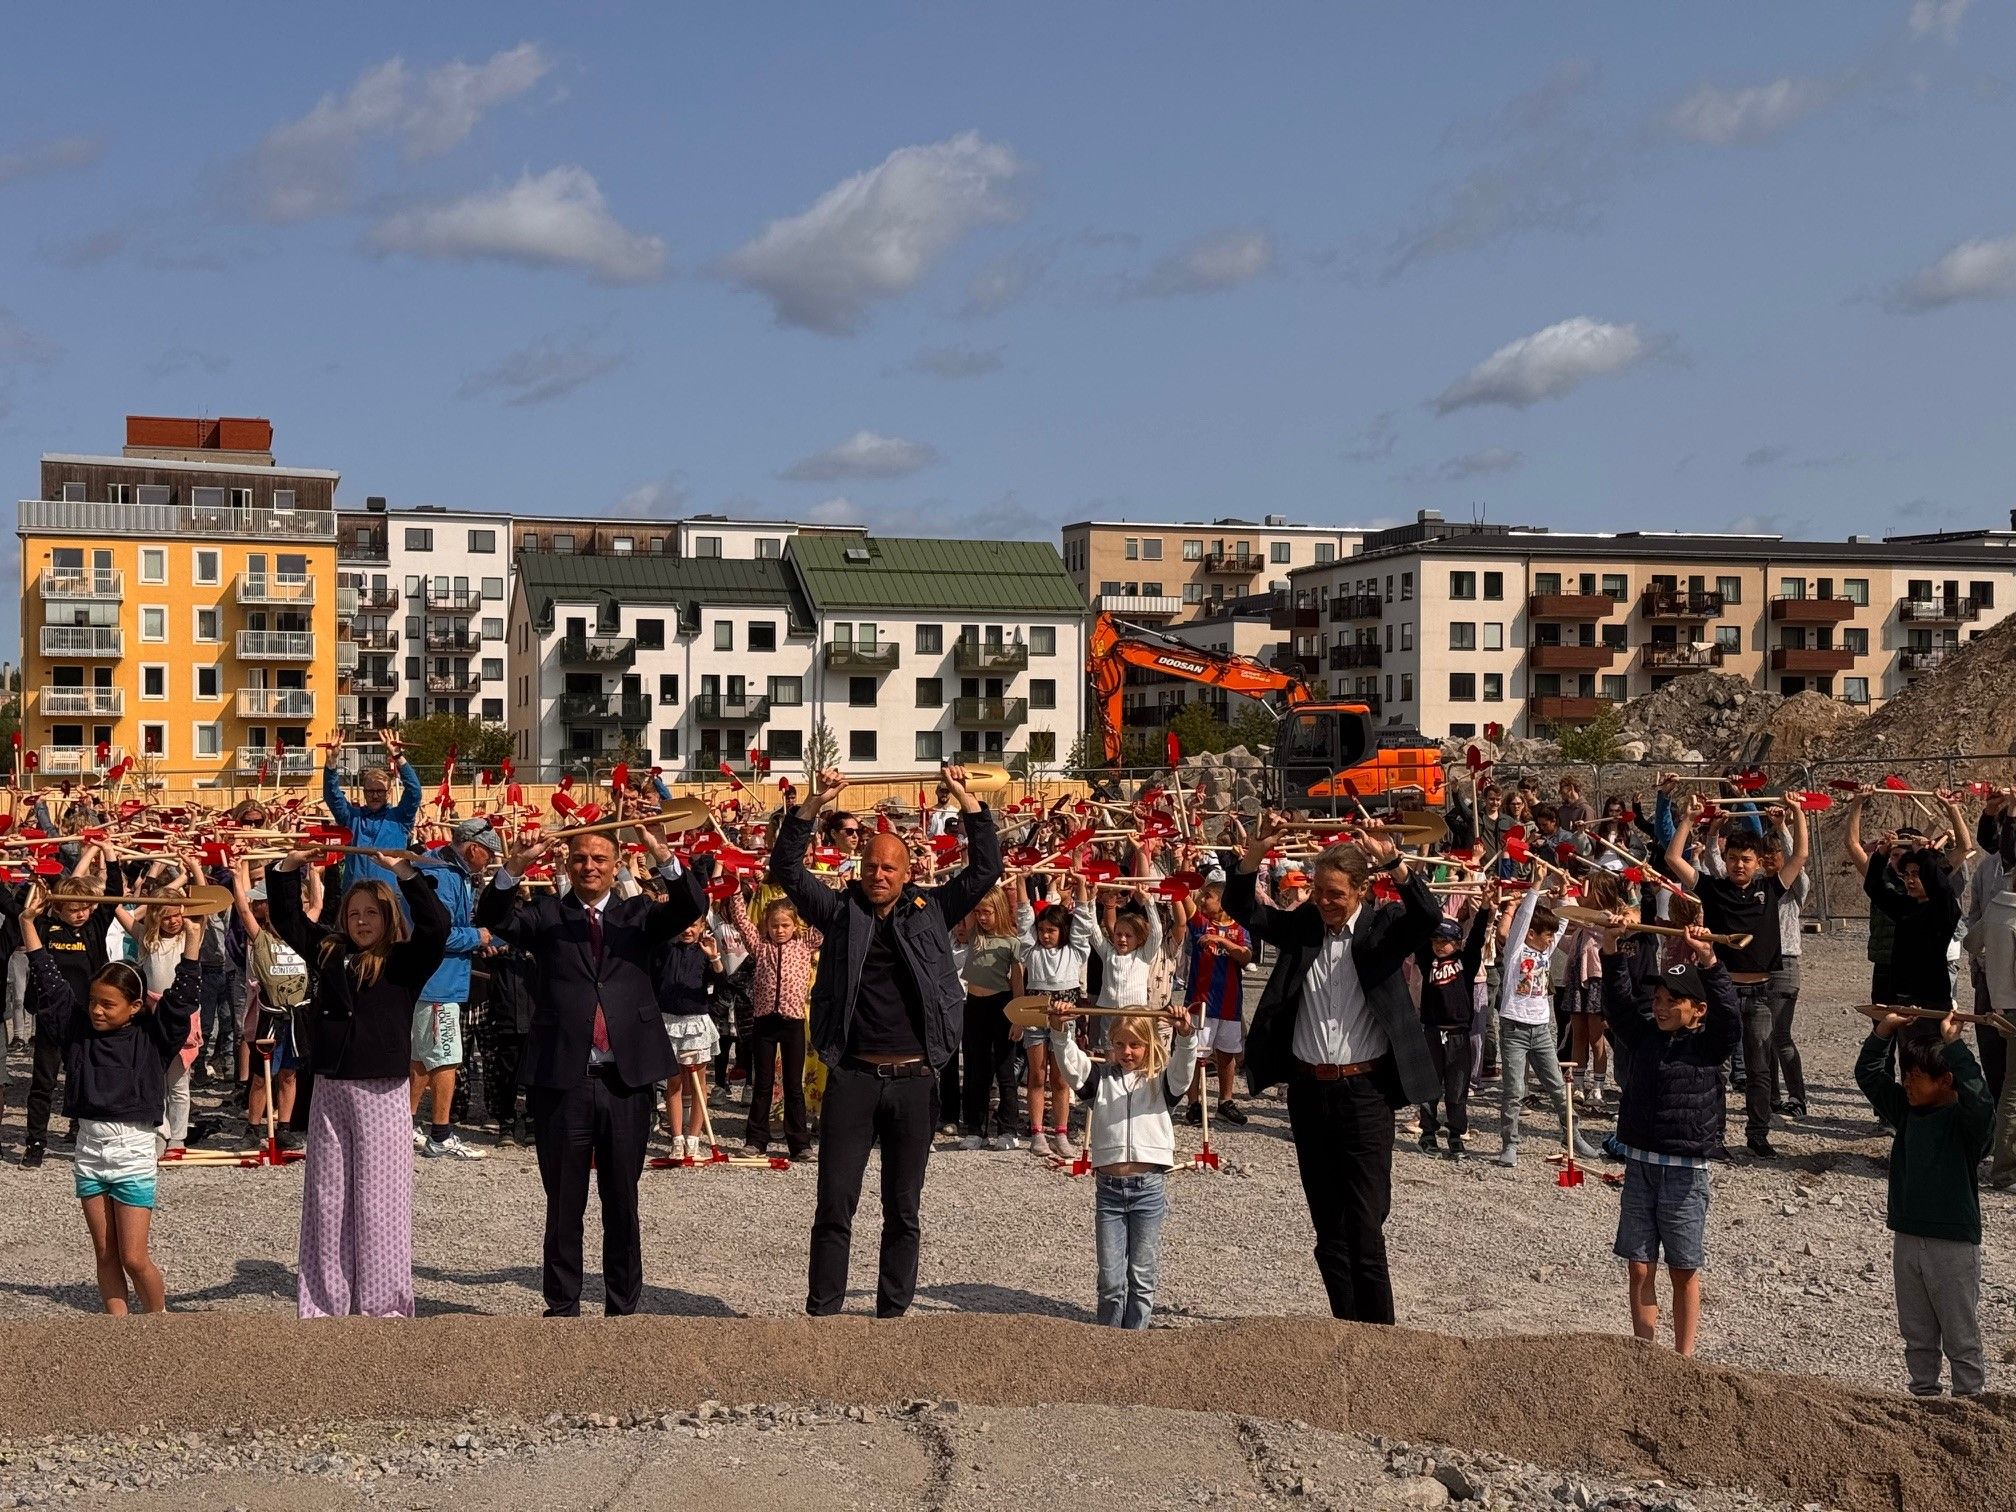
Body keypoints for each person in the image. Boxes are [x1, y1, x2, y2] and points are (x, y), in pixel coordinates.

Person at [770, 765, 1000, 1320]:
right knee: (834, 1205)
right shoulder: (838, 910)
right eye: (871, 865)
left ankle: (892, 1313)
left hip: (916, 1080)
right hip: (852, 1075)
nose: (878, 874)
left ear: (907, 872)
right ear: (860, 867)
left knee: (904, 1209)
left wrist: (967, 798)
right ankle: (823, 1313)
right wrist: (813, 804)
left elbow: (986, 868)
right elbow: (785, 868)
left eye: (889, 867)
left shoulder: (933, 911)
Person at [475, 823, 704, 1317]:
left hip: (626, 1080)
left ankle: (623, 1307)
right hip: (564, 1078)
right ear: (566, 864)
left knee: (622, 1201)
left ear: (617, 861)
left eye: (600, 858)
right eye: (580, 858)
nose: (590, 866)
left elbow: (691, 907)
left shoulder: (639, 914)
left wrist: (664, 856)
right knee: (564, 1203)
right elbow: (492, 916)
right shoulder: (546, 915)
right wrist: (514, 865)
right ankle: (562, 1307)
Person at [1227, 815, 1443, 1325]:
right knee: (1328, 1232)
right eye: (1319, 892)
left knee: (1366, 1227)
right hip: (1308, 1092)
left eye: (1336, 893)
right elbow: (1243, 909)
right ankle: (1345, 1330)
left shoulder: (1384, 925)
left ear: (1361, 890)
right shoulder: (1305, 926)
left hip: (1366, 1092)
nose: (1325, 901)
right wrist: (1254, 856)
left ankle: (1379, 1337)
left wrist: (1394, 862)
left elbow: (1428, 919)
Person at [267, 846, 448, 1318]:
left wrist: (405, 874)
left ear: (388, 917)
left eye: (371, 913)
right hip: (330, 1083)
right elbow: (288, 921)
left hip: (382, 1090)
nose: (361, 921)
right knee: (327, 1199)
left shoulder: (407, 960)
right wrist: (291, 865)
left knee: (380, 1200)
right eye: (353, 913)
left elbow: (436, 927)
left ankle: (384, 1304)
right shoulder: (331, 952)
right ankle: (325, 1302)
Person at [13, 885, 200, 1313]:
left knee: (134, 1256)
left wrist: (192, 940)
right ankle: (115, 1334)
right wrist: (28, 923)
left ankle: (159, 1321)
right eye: (94, 1002)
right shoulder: (77, 1031)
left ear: (135, 1006)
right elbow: (50, 981)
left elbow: (182, 998)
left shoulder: (154, 1038)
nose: (97, 1010)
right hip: (90, 1148)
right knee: (106, 1254)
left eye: (108, 1005)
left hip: (134, 1148)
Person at [1600, 918, 1738, 1358]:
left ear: (1698, 1008)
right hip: (1640, 1165)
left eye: (1673, 1000)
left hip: (1684, 1174)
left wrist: (1710, 962)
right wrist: (1611, 946)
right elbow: (1618, 1003)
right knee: (1639, 1265)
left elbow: (1730, 1018)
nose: (1661, 1007)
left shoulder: (1710, 1045)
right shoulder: (1643, 1037)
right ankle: (1645, 1353)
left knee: (1683, 1268)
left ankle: (1683, 1358)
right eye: (1658, 999)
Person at [1856, 1012, 1994, 1397]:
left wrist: (1955, 1046)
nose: (1907, 1085)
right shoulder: (1907, 1113)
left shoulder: (1966, 1126)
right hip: (1907, 1238)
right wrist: (1883, 1030)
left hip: (1953, 1244)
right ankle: (1923, 1401)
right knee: (1916, 1334)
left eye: (1916, 1077)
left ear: (1945, 1080)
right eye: (1904, 1076)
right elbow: (1868, 1075)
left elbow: (1981, 1101)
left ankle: (1970, 1405)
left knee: (1960, 1337)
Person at [1664, 794, 1808, 1159]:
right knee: (1718, 1068)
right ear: (1725, 860)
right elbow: (1672, 859)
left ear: (1758, 862)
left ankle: (1758, 1134)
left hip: (1761, 992)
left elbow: (1801, 856)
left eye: (1746, 859)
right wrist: (1689, 819)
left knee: (1760, 1068)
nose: (1739, 865)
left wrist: (1795, 815)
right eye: (1733, 859)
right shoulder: (1712, 888)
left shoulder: (1771, 888)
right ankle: (1714, 1136)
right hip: (1722, 991)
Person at [1051, 1003, 1197, 1328]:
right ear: (1111, 1045)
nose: (1127, 1052)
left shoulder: (1162, 1082)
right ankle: (1109, 1345)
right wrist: (1060, 1031)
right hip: (1109, 1192)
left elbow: (1184, 1071)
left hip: (1148, 1190)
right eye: (1120, 1044)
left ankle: (1135, 1348)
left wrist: (1186, 1037)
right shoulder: (1101, 1080)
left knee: (1142, 1277)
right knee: (1110, 1280)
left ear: (1150, 1044)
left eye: (1135, 1044)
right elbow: (1073, 1066)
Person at [408, 818, 499, 1161]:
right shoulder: (444, 874)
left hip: (439, 979)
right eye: (489, 853)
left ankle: (405, 1125)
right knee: (446, 1059)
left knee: (421, 1058)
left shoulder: (449, 870)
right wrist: (478, 937)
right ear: (473, 848)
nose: (490, 860)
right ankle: (440, 1134)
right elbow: (437, 932)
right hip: (439, 981)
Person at [1493, 888, 1603, 1169]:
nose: (1552, 940)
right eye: (1546, 935)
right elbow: (1523, 919)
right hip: (1514, 1027)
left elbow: (1563, 920)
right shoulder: (1517, 950)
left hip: (1541, 1029)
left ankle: (1572, 1135)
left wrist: (1564, 895)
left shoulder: (1547, 949)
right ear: (1531, 934)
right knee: (1514, 1089)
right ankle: (1510, 1143)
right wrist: (1534, 888)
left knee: (1557, 1087)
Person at [20, 870, 123, 1169]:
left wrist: (108, 852)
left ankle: (81, 1129)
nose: (80, 914)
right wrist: (37, 881)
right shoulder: (44, 926)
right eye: (72, 909)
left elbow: (113, 893)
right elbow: (23, 913)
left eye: (84, 908)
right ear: (59, 908)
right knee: (43, 1082)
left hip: (87, 1016)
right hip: (51, 1017)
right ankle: (35, 1142)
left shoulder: (95, 927)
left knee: (84, 1078)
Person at [724, 888, 821, 1159]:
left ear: (795, 925)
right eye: (774, 925)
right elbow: (741, 920)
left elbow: (824, 922)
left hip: (792, 1023)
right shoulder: (760, 946)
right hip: (765, 1022)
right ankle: (756, 1140)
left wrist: (816, 894)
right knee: (763, 1084)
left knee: (793, 1085)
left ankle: (800, 1143)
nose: (780, 930)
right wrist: (736, 891)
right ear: (766, 925)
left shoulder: (804, 945)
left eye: (785, 925)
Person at [228, 863, 309, 1153]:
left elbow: (318, 901)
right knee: (262, 1077)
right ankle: (253, 1126)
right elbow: (244, 911)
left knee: (290, 1074)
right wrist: (237, 877)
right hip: (272, 1015)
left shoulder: (302, 937)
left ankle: (284, 1126)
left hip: (297, 1015)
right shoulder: (261, 939)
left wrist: (313, 869)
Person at [1014, 877, 1093, 1159]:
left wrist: (1082, 884)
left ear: (1062, 931)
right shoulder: (1031, 951)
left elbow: (1084, 922)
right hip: (1036, 1014)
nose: (1045, 935)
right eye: (1042, 930)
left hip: (1066, 1016)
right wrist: (1022, 880)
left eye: (1051, 930)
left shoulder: (1075, 952)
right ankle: (1037, 1132)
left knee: (1061, 1078)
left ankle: (1060, 1132)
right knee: (1037, 1075)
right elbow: (1023, 918)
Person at [1414, 905, 1491, 1161]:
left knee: (1457, 1088)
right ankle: (1427, 1133)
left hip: (1458, 1034)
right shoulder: (1428, 962)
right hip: (1433, 1032)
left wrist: (1485, 909)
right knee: (1430, 1086)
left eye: (1445, 941)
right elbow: (1419, 931)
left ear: (1457, 943)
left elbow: (1478, 936)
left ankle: (1456, 1135)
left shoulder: (1465, 962)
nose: (1438, 945)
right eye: (1435, 940)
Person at [1180, 880, 1253, 1127]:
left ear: (1222, 900)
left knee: (1228, 1054)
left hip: (1230, 1004)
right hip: (1201, 1003)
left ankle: (1225, 1101)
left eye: (1208, 896)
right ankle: (1193, 1103)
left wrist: (1222, 942)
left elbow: (1246, 957)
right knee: (1196, 1055)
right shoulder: (1201, 922)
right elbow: (1184, 898)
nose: (1202, 900)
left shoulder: (1240, 928)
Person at [951, 888, 1020, 1150]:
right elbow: (967, 902)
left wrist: (1018, 1019)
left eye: (987, 912)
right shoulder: (974, 936)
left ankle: (1008, 1129)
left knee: (1004, 1070)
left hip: (1001, 1006)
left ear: (999, 911)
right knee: (974, 1070)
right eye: (978, 912)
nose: (981, 917)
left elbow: (1017, 984)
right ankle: (975, 1128)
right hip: (974, 1005)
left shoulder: (1011, 943)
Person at [321, 730, 422, 897]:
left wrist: (398, 757)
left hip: (391, 898)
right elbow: (332, 795)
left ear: (389, 793)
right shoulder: (351, 817)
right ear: (364, 792)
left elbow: (414, 791)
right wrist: (331, 762)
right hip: (355, 896)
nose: (375, 795)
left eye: (380, 791)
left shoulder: (400, 818)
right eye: (370, 791)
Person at [657, 915, 722, 1161]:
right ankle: (676, 1138)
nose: (687, 929)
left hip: (696, 1021)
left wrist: (714, 957)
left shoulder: (705, 951)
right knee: (673, 1082)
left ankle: (694, 1137)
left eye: (693, 925)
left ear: (702, 927)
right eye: (684, 924)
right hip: (668, 1020)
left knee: (698, 1084)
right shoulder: (667, 948)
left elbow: (721, 982)